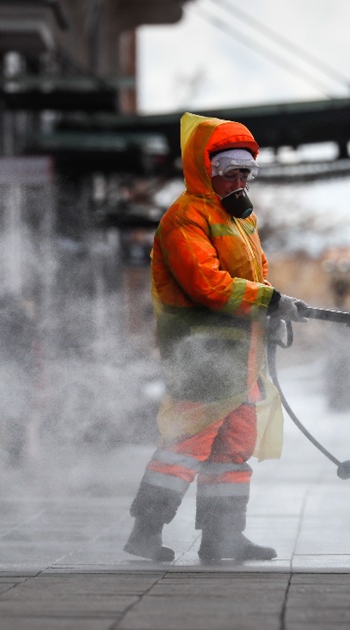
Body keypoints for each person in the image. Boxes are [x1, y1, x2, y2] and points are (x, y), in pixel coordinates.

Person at [124, 112, 308, 562]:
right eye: (231, 172)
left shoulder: (239, 219)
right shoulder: (184, 219)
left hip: (240, 355)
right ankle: (145, 532)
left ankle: (223, 538)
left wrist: (274, 304)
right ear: (208, 171)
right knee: (185, 445)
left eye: (247, 172)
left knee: (233, 450)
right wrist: (270, 301)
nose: (240, 181)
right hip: (201, 353)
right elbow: (207, 285)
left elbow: (253, 279)